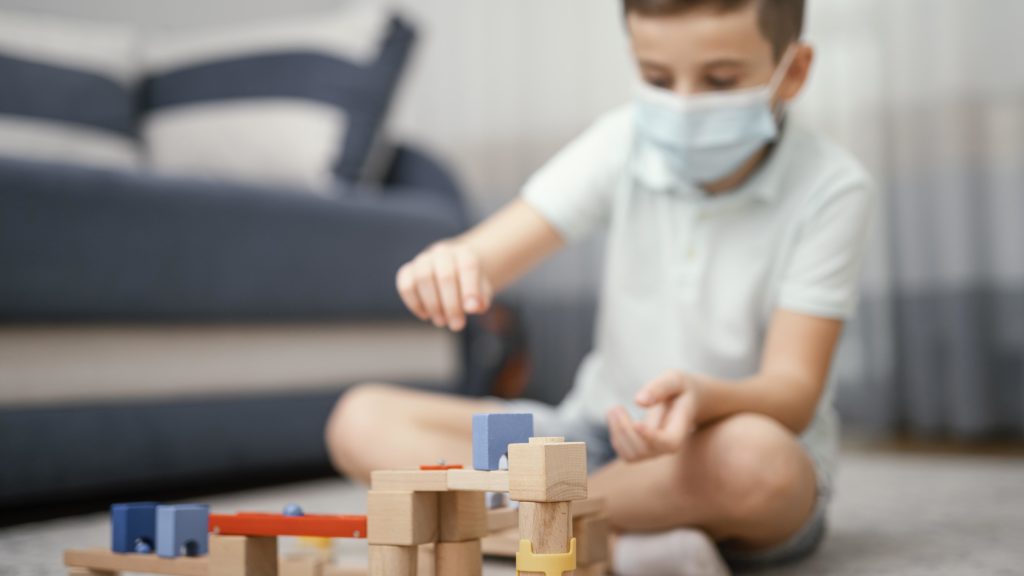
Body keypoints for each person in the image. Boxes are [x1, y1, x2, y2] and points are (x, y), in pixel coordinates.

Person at [326, 0, 874, 571]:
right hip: (591, 438)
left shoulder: (834, 188)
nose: (682, 105)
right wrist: (453, 261)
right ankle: (608, 536)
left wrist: (706, 400)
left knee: (759, 465)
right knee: (359, 419)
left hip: (714, 452)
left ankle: (517, 529)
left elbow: (794, 391)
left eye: (720, 80)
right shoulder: (622, 140)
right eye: (657, 78)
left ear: (796, 71)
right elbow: (491, 252)